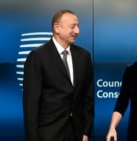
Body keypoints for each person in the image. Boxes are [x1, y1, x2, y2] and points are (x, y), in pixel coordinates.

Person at [23, 9, 94, 141]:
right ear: (57, 27)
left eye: (78, 26)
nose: (77, 31)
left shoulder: (84, 56)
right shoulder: (38, 57)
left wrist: (86, 131)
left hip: (77, 133)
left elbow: (88, 98)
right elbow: (31, 104)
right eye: (73, 26)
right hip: (48, 134)